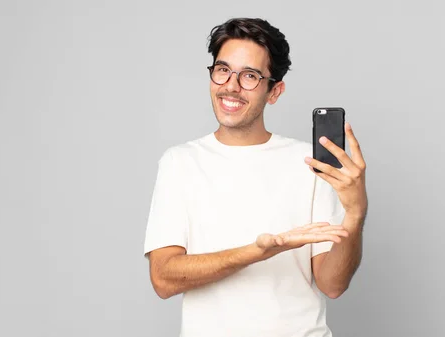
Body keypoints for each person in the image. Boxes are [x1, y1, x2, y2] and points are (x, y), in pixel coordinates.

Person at [143, 17, 368, 337]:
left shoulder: (309, 164)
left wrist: (355, 215)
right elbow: (164, 279)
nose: (231, 86)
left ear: (274, 91)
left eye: (249, 76)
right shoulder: (180, 163)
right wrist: (258, 251)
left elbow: (333, 284)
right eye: (223, 70)